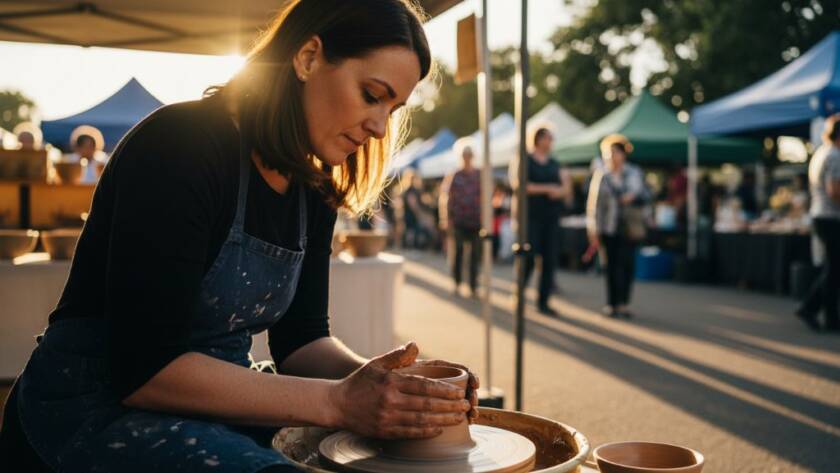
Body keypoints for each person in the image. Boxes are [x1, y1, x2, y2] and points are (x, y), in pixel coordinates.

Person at [0, 2, 479, 472]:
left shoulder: (313, 190)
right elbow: (143, 369)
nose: (379, 127)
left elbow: (302, 343)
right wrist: (339, 402)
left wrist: (399, 388)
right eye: (372, 95)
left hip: (214, 402)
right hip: (91, 406)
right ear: (308, 57)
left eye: (392, 109)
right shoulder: (181, 146)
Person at [513, 127, 572, 316]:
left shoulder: (555, 163)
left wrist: (559, 191)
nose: (551, 142)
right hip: (531, 217)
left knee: (549, 260)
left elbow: (566, 188)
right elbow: (521, 185)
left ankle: (543, 302)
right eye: (548, 138)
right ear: (538, 140)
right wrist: (548, 188)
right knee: (528, 258)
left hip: (551, 218)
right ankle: (519, 295)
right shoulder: (526, 160)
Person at [586, 134, 646, 319]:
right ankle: (612, 303)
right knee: (611, 266)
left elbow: (641, 193)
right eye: (608, 153)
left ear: (623, 154)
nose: (611, 156)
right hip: (609, 227)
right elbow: (594, 206)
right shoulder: (602, 175)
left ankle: (624, 303)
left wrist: (630, 197)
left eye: (614, 152)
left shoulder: (633, 173)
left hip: (629, 226)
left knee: (627, 265)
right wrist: (593, 230)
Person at [796, 114, 840, 332]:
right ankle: (820, 312)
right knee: (834, 269)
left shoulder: (822, 153)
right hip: (831, 217)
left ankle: (816, 309)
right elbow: (834, 191)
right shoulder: (835, 156)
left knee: (833, 267)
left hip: (821, 215)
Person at [439, 139, 481, 297]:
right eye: (465, 155)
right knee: (458, 254)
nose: (467, 157)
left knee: (475, 257)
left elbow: (485, 196)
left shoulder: (479, 174)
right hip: (459, 221)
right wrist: (446, 219)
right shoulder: (454, 175)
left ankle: (473, 286)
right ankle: (457, 283)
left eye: (469, 155)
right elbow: (446, 198)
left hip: (476, 221)